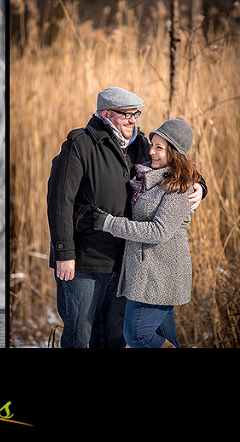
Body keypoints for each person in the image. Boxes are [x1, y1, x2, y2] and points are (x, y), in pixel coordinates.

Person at [46, 86, 205, 349]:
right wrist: (64, 253)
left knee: (113, 338)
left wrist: (201, 187)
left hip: (124, 263)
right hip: (85, 260)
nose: (133, 120)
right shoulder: (80, 145)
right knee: (78, 336)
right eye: (126, 114)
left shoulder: (141, 145)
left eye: (136, 114)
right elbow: (59, 201)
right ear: (106, 113)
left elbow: (177, 163)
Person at [84, 118, 202, 348]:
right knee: (164, 336)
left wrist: (110, 223)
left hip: (160, 276)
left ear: (175, 153)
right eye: (152, 145)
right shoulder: (151, 176)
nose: (152, 151)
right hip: (147, 273)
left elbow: (158, 231)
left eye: (160, 148)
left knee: (137, 335)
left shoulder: (178, 188)